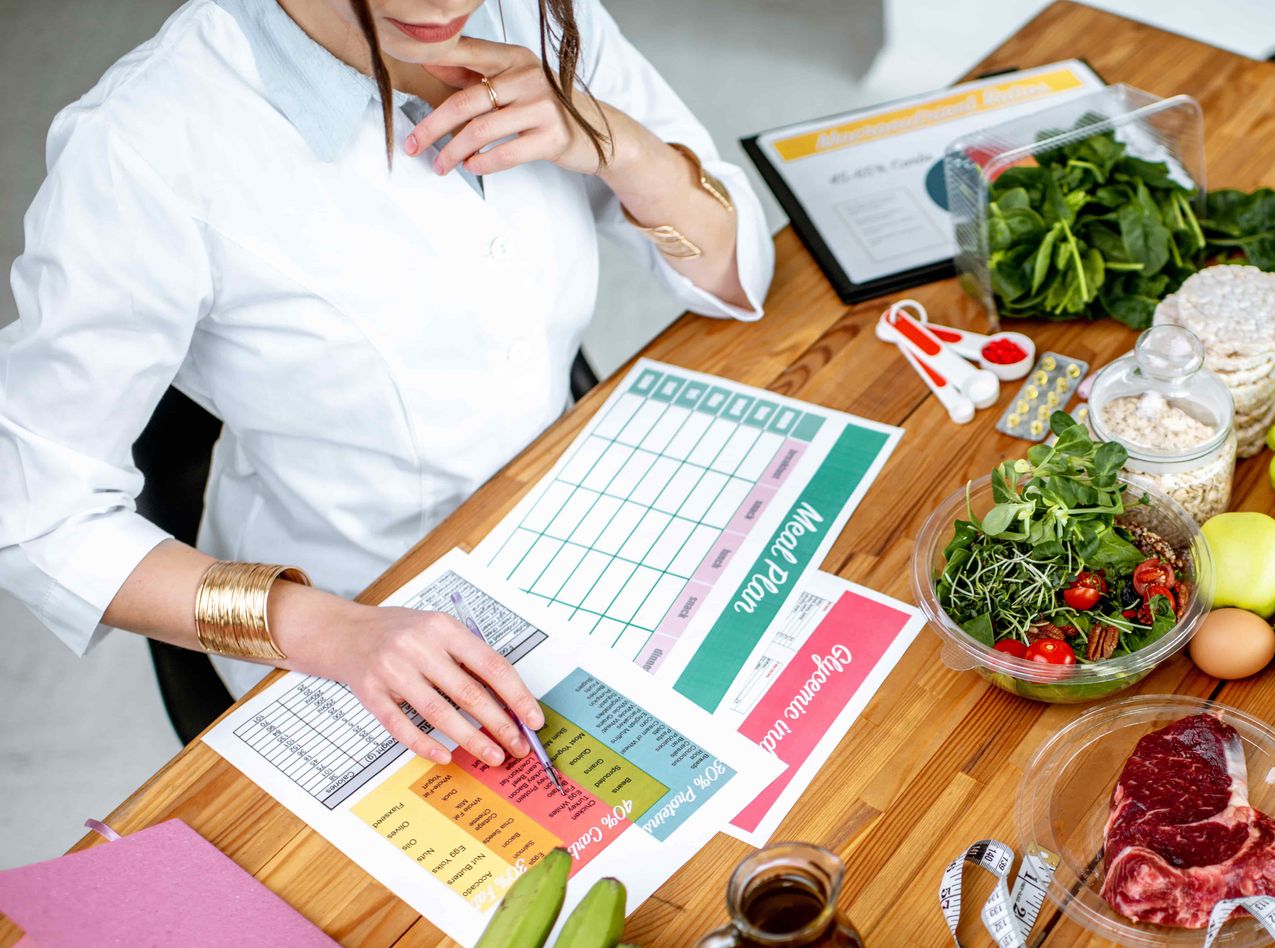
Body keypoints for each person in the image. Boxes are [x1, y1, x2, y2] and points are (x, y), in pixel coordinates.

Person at [0, 0, 773, 768]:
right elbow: (37, 516)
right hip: (354, 624)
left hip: (576, 535)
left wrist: (613, 141)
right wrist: (331, 632)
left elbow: (735, 274)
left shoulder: (533, 14)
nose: (447, 4)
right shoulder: (145, 143)